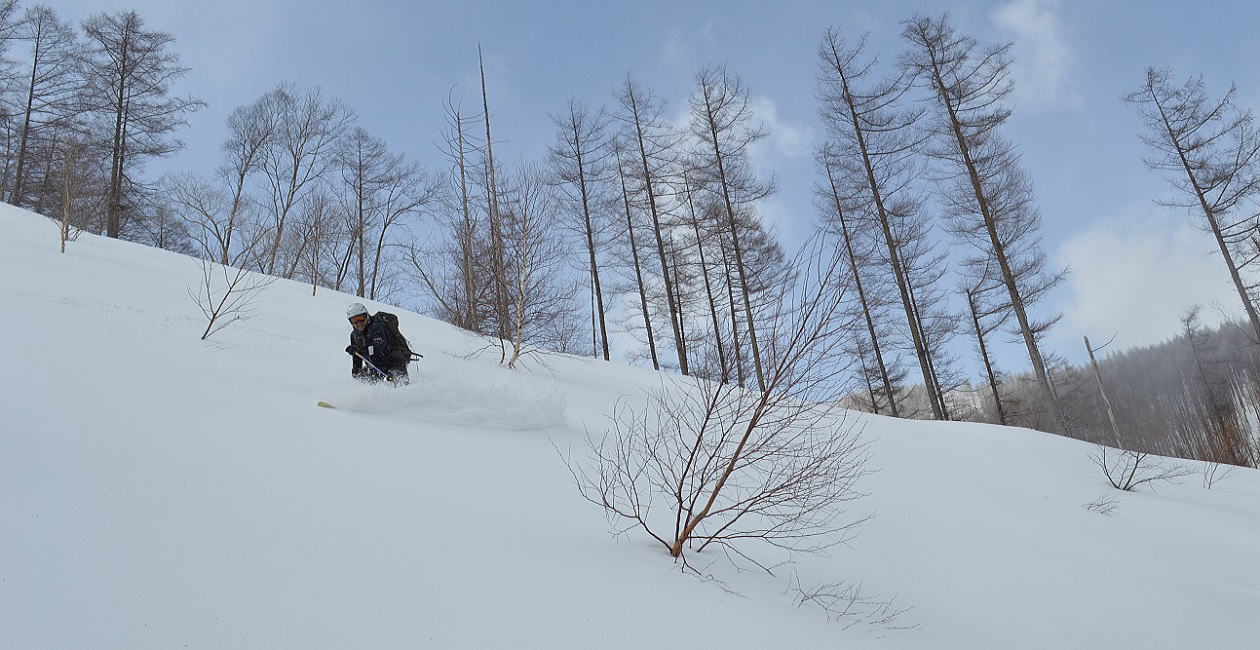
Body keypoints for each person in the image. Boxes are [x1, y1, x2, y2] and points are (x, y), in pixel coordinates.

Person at [345, 303, 410, 385]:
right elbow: (357, 357)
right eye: (354, 321)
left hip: (394, 363)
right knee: (377, 392)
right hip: (376, 368)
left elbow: (378, 348)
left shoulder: (377, 326)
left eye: (361, 318)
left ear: (367, 316)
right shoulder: (354, 335)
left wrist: (360, 350)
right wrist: (356, 371)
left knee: (402, 388)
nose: (359, 323)